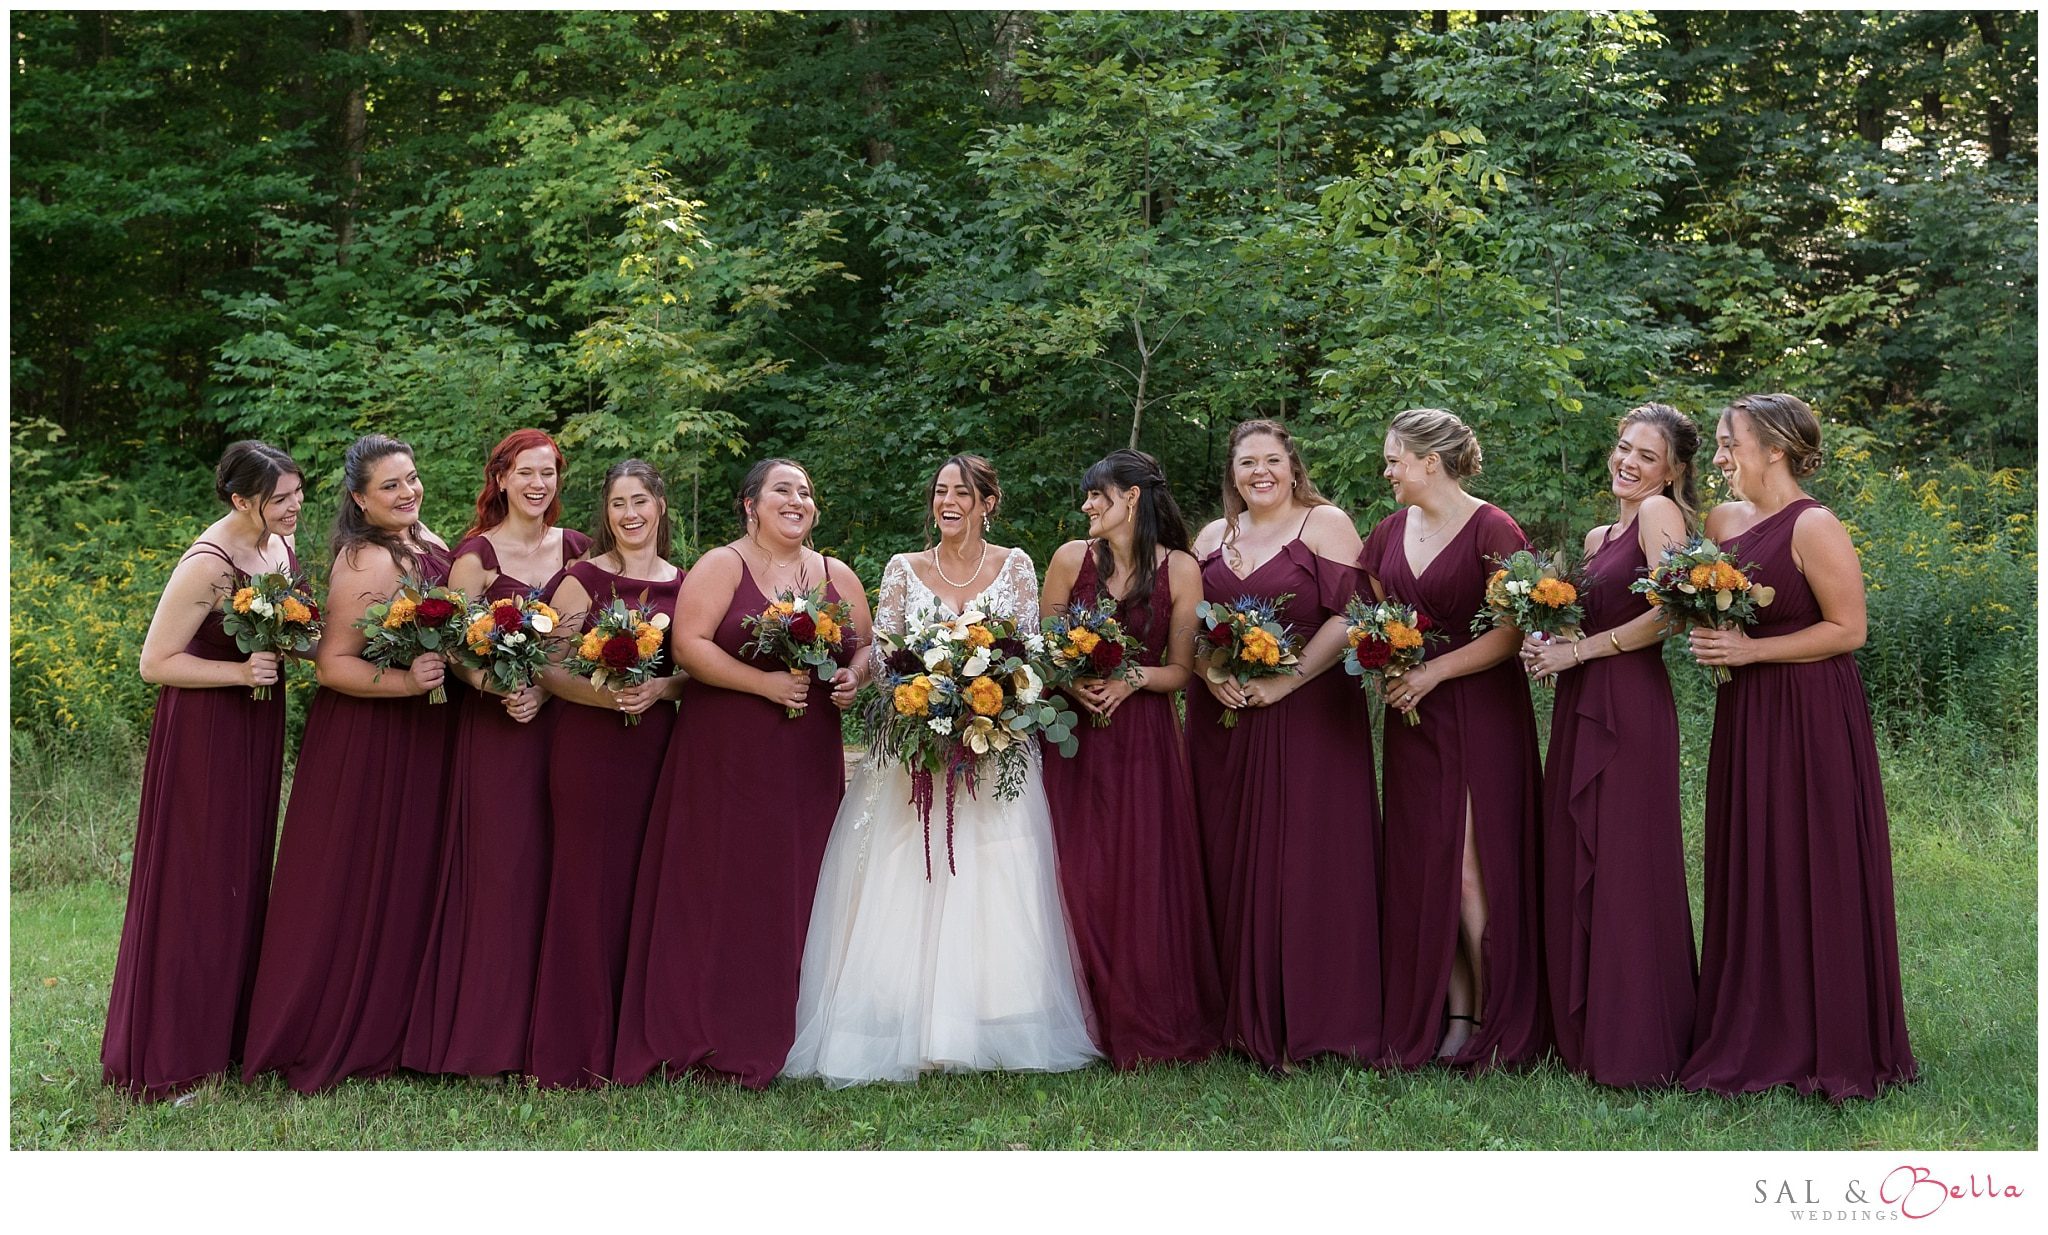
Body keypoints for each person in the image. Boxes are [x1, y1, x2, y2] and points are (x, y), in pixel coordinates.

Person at [783, 455, 1100, 1087]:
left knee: (996, 874)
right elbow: (884, 648)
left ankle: (992, 1019)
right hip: (914, 748)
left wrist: (997, 696)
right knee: (907, 870)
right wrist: (865, 675)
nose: (947, 501)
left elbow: (1029, 654)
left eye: (962, 492)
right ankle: (901, 1015)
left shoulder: (1014, 566)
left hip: (995, 748)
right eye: (940, 492)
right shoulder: (903, 569)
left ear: (988, 502)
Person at [1679, 393, 1916, 1100]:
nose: (1719, 457)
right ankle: (1753, 1023)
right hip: (1747, 717)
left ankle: (1827, 1033)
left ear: (1773, 449)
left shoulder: (1814, 524)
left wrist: (1752, 651)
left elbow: (1849, 629)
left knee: (1813, 859)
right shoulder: (1724, 522)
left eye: (1730, 443)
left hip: (1811, 716)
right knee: (1755, 858)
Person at [615, 458, 869, 1090]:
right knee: (725, 883)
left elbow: (867, 645)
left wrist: (853, 678)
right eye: (782, 489)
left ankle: (793, 1025)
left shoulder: (835, 573)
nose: (797, 500)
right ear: (750, 505)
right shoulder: (722, 565)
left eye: (806, 491)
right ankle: (711, 1026)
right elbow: (689, 646)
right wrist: (763, 682)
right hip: (726, 755)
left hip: (807, 756)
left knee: (800, 879)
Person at [242, 434, 458, 1093]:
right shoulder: (364, 560)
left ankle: (396, 1025)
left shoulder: (427, 539)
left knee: (405, 876)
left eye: (412, 478)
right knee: (353, 877)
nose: (408, 492)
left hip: (422, 731)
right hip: (370, 734)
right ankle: (327, 1026)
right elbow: (333, 664)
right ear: (360, 500)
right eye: (390, 486)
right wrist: (407, 684)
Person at [102, 441, 306, 1100]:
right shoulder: (207, 563)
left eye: (299, 492)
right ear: (241, 499)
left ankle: (229, 1037)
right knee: (196, 878)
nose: (295, 505)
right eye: (280, 497)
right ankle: (172, 1054)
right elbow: (155, 661)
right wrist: (239, 671)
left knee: (241, 874)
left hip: (255, 723)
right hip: (204, 734)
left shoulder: (278, 547)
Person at [1185, 420, 1382, 1070]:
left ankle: (1313, 1019)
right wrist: (1213, 677)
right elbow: (1183, 624)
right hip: (1224, 723)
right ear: (1232, 471)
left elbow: (1352, 613)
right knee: (1227, 854)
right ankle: (1235, 1018)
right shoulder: (1212, 537)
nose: (1260, 472)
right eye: (1247, 462)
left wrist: (1287, 678)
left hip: (1311, 716)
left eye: (1272, 460)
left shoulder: (1324, 523)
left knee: (1306, 860)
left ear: (1293, 466)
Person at [1359, 408, 1546, 1071]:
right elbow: (1374, 620)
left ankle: (1501, 1013)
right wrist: (1390, 666)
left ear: (1429, 462)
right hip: (1415, 720)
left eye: (1393, 459)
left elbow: (1514, 631)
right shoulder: (1384, 533)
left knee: (1472, 870)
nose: (1386, 471)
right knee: (1428, 867)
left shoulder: (1494, 529)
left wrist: (1434, 668)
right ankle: (1456, 1012)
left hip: (1479, 710)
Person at [1520, 404, 1699, 1087]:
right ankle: (1586, 1029)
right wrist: (1547, 642)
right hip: (1581, 704)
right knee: (1578, 849)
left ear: (1673, 470)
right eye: (1624, 448)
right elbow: (1583, 618)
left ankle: (1638, 1039)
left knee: (1625, 858)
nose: (1628, 462)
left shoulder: (1659, 514)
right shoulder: (1599, 534)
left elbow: (1675, 612)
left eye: (1646, 456)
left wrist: (1584, 649)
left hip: (1629, 706)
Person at [405, 429, 588, 1078]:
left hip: (565, 723)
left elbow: (590, 635)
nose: (540, 483)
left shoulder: (579, 550)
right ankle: (487, 1035)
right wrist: (495, 683)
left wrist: (548, 685)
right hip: (497, 726)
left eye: (551, 472)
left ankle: (552, 1028)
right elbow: (453, 641)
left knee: (558, 865)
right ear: (502, 478)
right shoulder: (476, 556)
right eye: (527, 471)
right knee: (499, 870)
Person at [1040, 449, 1222, 1068]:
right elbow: (1045, 650)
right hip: (1073, 735)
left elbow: (1179, 669)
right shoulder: (1070, 560)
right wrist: (1072, 684)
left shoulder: (1182, 569)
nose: (1087, 505)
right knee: (1075, 867)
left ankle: (1140, 1010)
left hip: (1142, 738)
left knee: (1139, 871)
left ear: (1133, 498)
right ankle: (1077, 1012)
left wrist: (1130, 679)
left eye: (1098, 495)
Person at [528, 460, 688, 1088]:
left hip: (660, 751)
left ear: (661, 506)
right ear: (606, 512)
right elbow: (548, 666)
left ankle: (644, 1038)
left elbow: (696, 668)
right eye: (619, 503)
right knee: (586, 885)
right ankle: (576, 1046)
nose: (630, 514)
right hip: (590, 749)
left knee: (652, 887)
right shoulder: (582, 578)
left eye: (641, 501)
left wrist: (660, 689)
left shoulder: (689, 582)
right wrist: (608, 698)